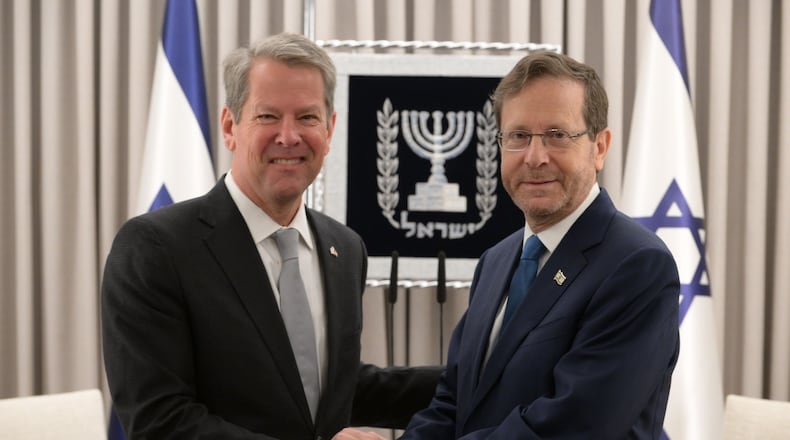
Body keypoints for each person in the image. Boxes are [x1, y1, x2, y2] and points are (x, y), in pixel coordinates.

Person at [102, 32, 440, 440]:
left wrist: (480, 376)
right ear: (230, 126)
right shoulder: (155, 248)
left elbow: (326, 388)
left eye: (307, 117)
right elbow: (160, 421)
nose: (289, 136)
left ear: (330, 129)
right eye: (267, 116)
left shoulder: (345, 248)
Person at [335, 51, 680, 439]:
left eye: (557, 135)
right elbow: (454, 402)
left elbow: (573, 425)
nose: (535, 157)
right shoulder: (496, 261)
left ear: (599, 147)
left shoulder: (636, 265)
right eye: (518, 136)